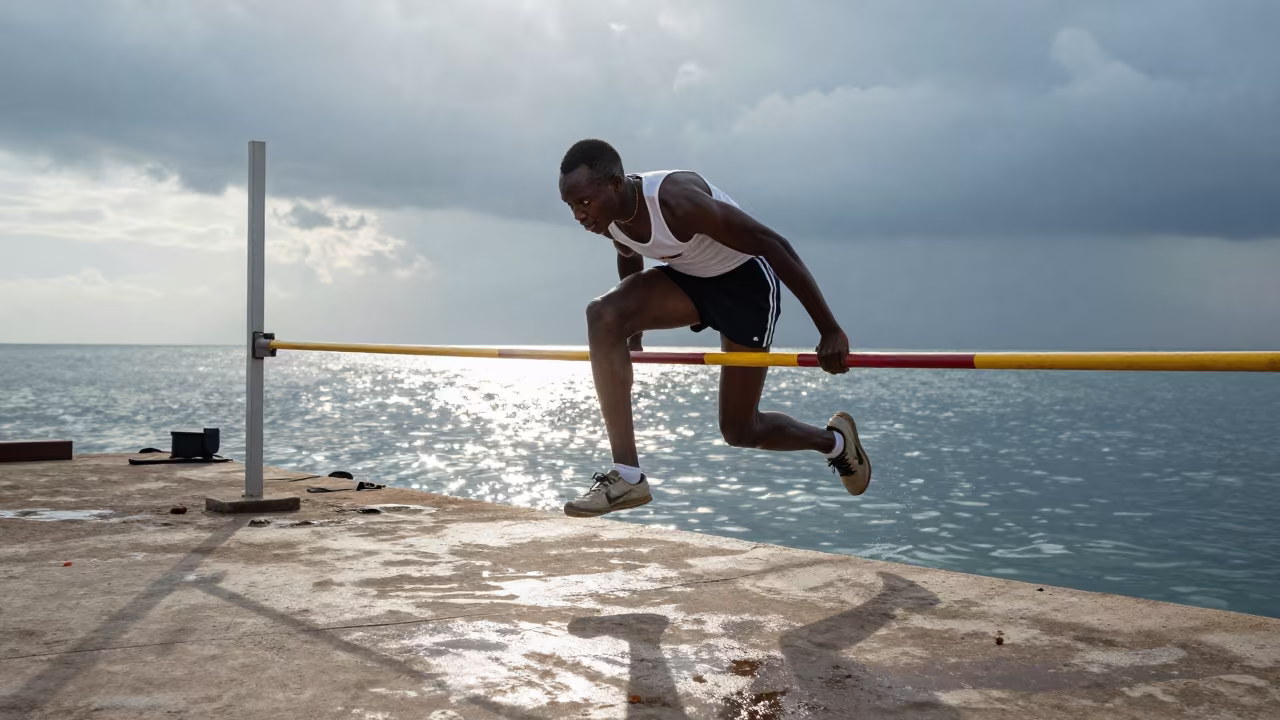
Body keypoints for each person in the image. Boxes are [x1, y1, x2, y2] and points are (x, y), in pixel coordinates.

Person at [558, 139, 871, 518]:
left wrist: (829, 330)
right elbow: (629, 252)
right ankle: (627, 476)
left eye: (584, 202)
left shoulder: (676, 202)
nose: (578, 215)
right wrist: (630, 331)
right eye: (571, 206)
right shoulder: (607, 221)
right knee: (602, 315)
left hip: (746, 287)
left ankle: (835, 443)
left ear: (615, 184)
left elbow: (774, 245)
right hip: (688, 281)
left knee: (740, 430)